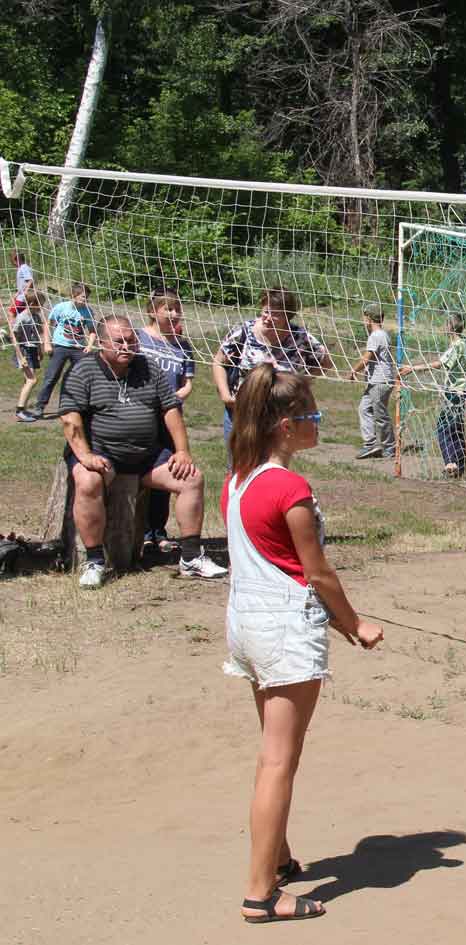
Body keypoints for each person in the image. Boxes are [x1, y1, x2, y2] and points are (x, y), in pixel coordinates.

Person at [222, 363, 384, 924]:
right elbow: (318, 573)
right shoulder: (289, 486)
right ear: (286, 425)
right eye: (311, 415)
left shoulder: (238, 476)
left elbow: (285, 566)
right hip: (283, 631)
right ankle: (260, 894)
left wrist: (342, 624)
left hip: (247, 625)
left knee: (272, 751)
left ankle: (279, 857)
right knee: (278, 761)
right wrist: (357, 624)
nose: (318, 422)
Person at [58, 315, 227, 588]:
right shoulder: (83, 369)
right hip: (104, 455)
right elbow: (69, 418)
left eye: (131, 340)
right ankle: (95, 561)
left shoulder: (149, 367)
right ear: (101, 342)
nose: (127, 346)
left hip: (147, 456)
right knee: (87, 482)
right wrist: (86, 456)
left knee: (192, 479)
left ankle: (191, 557)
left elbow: (170, 410)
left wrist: (182, 451)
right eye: (119, 341)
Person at [212, 287, 334, 454]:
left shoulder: (300, 336)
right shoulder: (245, 331)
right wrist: (226, 396)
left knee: (271, 465)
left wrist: (299, 380)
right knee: (239, 466)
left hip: (278, 417)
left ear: (287, 316)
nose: (268, 318)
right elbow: (218, 361)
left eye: (275, 314)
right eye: (266, 311)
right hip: (243, 411)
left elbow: (326, 363)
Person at [137, 288, 197, 554]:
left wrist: (171, 399)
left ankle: (157, 533)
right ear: (153, 311)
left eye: (176, 308)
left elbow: (187, 385)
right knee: (136, 473)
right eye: (167, 308)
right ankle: (138, 532)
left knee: (168, 473)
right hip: (140, 416)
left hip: (170, 418)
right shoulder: (138, 339)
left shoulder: (183, 345)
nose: (173, 313)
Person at [398, 313, 466, 477]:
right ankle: (460, 464)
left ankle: (450, 463)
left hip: (455, 392)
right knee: (456, 428)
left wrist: (412, 368)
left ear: (449, 327)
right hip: (463, 391)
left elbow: (439, 363)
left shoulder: (457, 346)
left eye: (445, 324)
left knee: (443, 429)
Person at [30, 281, 95, 420]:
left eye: (87, 297)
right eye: (83, 296)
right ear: (74, 295)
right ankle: (39, 407)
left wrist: (89, 346)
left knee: (82, 377)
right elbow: (48, 324)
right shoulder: (61, 307)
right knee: (51, 377)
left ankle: (82, 407)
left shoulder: (88, 311)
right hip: (60, 346)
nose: (85, 299)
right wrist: (47, 344)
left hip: (78, 348)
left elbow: (92, 331)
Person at [349, 303, 396, 459]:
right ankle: (370, 445)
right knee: (364, 408)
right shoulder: (382, 334)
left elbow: (367, 358)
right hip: (377, 381)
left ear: (368, 319)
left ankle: (389, 448)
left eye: (364, 317)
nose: (363, 320)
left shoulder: (376, 336)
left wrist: (353, 371)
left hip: (380, 381)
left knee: (380, 415)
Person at [8, 287, 45, 420]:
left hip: (33, 349)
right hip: (23, 350)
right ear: (31, 304)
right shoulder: (22, 318)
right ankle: (20, 410)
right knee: (32, 380)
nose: (42, 307)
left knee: (28, 380)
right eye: (40, 304)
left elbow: (39, 333)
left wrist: (40, 350)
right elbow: (14, 338)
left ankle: (23, 408)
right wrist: (20, 357)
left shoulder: (36, 316)